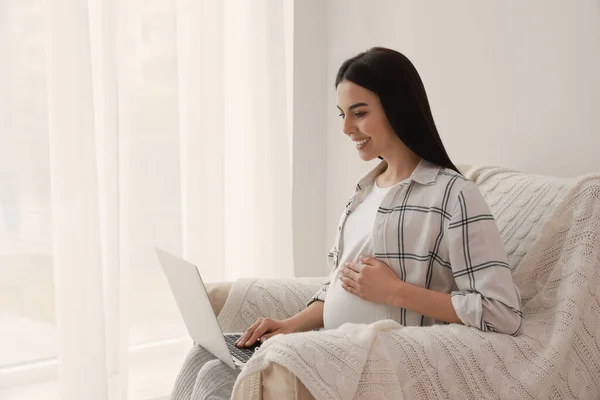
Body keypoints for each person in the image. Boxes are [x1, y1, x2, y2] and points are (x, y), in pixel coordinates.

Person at [171, 47, 522, 400]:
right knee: (208, 358)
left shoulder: (453, 195)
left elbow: (502, 312)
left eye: (359, 113)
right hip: (330, 343)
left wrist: (395, 291)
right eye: (342, 114)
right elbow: (344, 284)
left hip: (386, 356)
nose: (346, 128)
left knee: (246, 369)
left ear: (397, 108)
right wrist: (289, 325)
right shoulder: (365, 191)